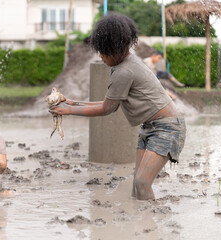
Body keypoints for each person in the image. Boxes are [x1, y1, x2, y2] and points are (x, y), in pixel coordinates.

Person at [49, 14, 186, 200]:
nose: (100, 56)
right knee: (136, 188)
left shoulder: (124, 71)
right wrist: (75, 103)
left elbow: (107, 109)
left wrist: (69, 110)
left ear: (116, 49)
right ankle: (140, 225)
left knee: (142, 183)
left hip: (167, 128)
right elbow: (108, 103)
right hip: (150, 127)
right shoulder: (126, 63)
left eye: (103, 51)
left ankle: (152, 224)